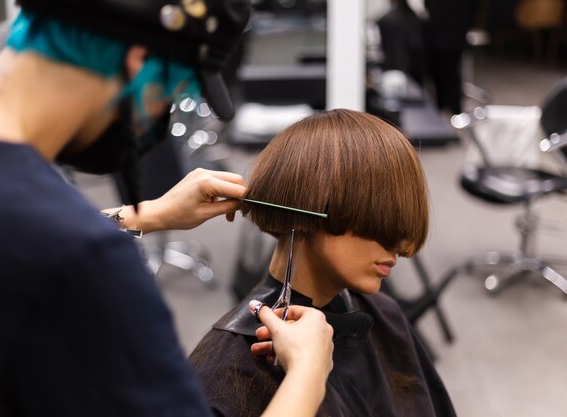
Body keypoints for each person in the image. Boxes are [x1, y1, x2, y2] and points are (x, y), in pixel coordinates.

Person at [0, 1, 334, 416]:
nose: (156, 120)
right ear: (138, 61)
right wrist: (308, 373)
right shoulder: (82, 260)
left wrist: (149, 215)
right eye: (171, 92)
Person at [190, 109, 457, 417]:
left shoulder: (385, 315)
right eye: (379, 222)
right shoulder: (224, 374)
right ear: (310, 208)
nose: (399, 244)